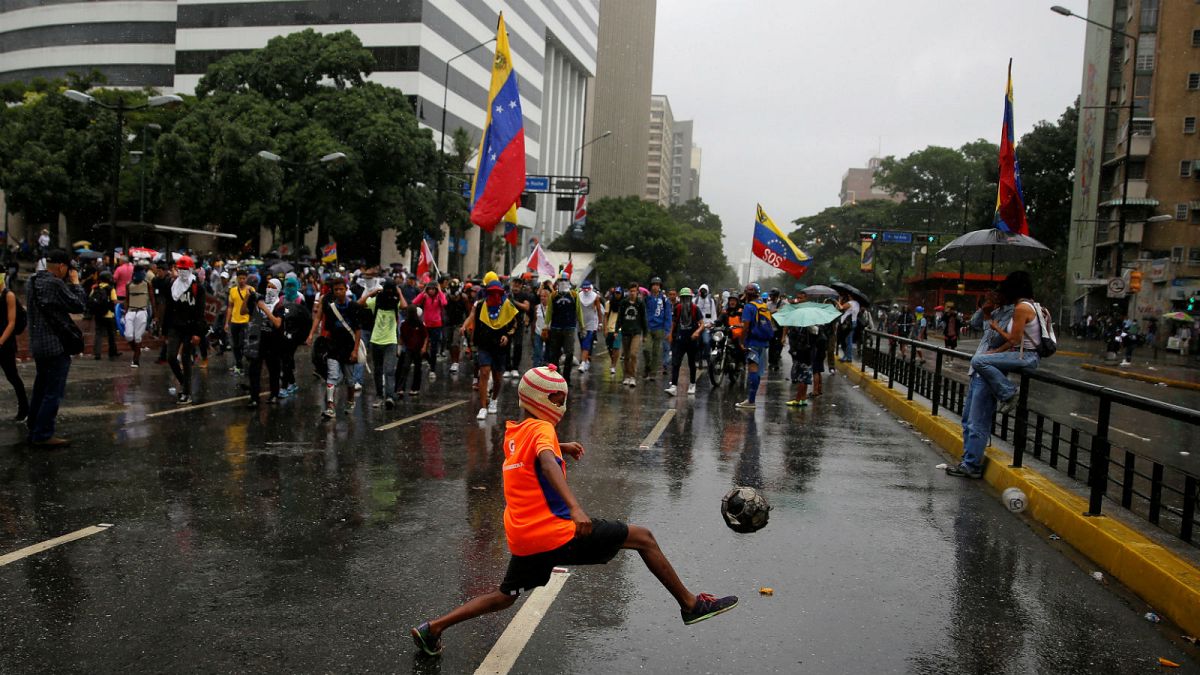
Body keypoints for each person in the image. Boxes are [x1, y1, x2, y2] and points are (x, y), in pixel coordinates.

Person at [409, 365, 737, 657]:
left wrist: (560, 445)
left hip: (523, 537)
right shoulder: (542, 432)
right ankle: (690, 605)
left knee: (504, 596)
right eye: (557, 398)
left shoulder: (515, 431)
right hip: (551, 533)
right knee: (643, 538)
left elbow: (535, 451)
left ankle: (432, 628)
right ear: (543, 399)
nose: (562, 406)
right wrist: (576, 508)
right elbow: (547, 463)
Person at [946, 289, 1014, 479]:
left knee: (978, 421)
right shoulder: (995, 311)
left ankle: (972, 464)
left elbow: (997, 340)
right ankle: (967, 458)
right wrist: (984, 310)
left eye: (996, 294)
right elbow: (974, 324)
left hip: (989, 372)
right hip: (977, 371)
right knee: (968, 419)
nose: (993, 297)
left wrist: (988, 317)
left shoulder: (1011, 313)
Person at [25, 249, 87, 445]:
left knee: (40, 387)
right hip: (55, 345)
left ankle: (34, 426)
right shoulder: (54, 283)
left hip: (37, 343)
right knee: (53, 391)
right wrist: (76, 282)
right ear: (61, 266)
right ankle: (43, 434)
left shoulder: (31, 281)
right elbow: (79, 305)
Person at [970, 271, 1042, 416]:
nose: (998, 294)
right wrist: (996, 352)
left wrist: (996, 328)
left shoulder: (1021, 308)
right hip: (1023, 354)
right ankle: (1007, 392)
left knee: (978, 360)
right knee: (980, 360)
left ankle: (1009, 392)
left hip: (1027, 356)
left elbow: (1013, 339)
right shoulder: (1028, 305)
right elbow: (1012, 341)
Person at [307, 276, 363, 418]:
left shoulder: (353, 306)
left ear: (346, 290)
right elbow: (321, 319)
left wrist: (355, 350)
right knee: (332, 376)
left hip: (349, 348)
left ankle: (350, 401)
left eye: (341, 289)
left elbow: (357, 330)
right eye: (336, 289)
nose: (339, 292)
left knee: (349, 379)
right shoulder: (329, 306)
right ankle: (330, 406)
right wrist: (312, 335)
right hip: (333, 347)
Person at [465, 273, 519, 420]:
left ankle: (494, 400)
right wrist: (471, 345)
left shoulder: (507, 305)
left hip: (500, 347)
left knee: (497, 378)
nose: (494, 295)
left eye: (497, 293)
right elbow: (475, 326)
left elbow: (514, 324)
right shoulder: (481, 305)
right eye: (491, 293)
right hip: (484, 345)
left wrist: (507, 335)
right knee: (484, 372)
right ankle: (483, 407)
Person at [164, 256, 207, 405]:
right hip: (175, 327)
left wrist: (197, 333)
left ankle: (186, 392)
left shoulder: (197, 288)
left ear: (190, 269)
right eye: (180, 269)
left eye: (185, 269)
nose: (182, 272)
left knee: (185, 358)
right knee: (170, 357)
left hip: (190, 327)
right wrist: (165, 329)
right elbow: (168, 308)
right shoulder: (172, 285)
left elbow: (200, 312)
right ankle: (184, 381)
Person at [360, 279, 405, 407]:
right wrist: (372, 293)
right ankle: (379, 396)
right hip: (375, 340)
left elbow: (404, 306)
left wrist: (399, 293)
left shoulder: (395, 302)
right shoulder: (377, 301)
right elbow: (360, 303)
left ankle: (390, 396)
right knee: (378, 370)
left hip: (391, 341)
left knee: (389, 370)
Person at [243, 278, 283, 408]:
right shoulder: (260, 300)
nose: (269, 289)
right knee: (254, 369)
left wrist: (264, 309)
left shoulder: (280, 304)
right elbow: (242, 311)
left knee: (273, 370)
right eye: (268, 286)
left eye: (273, 287)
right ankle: (254, 398)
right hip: (258, 339)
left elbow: (277, 323)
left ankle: (274, 394)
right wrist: (247, 298)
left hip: (273, 341)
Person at [736, 284, 773, 410]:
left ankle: (751, 401)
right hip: (763, 342)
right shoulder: (763, 305)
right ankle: (751, 399)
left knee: (752, 369)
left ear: (746, 295)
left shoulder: (749, 307)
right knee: (757, 371)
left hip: (753, 342)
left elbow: (746, 326)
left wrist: (741, 341)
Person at [0, 272, 28, 422]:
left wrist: (1, 341)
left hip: (6, 344)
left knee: (12, 376)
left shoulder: (8, 295)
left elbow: (11, 322)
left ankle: (24, 407)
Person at [275, 276, 309, 398]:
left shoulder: (300, 301)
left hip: (294, 336)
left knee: (286, 359)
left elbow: (306, 320)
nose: (289, 288)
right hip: (281, 335)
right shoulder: (281, 300)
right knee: (285, 360)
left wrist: (303, 337)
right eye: (287, 285)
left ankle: (284, 386)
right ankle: (292, 383)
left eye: (292, 285)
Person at [545, 272, 582, 381]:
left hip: (569, 328)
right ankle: (555, 376)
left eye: (565, 280)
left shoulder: (574, 295)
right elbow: (549, 311)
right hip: (555, 327)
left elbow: (578, 311)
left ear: (568, 281)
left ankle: (566, 378)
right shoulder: (553, 295)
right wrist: (546, 326)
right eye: (561, 280)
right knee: (554, 354)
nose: (563, 283)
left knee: (569, 353)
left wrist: (582, 326)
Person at [666, 287, 702, 397]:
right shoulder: (678, 308)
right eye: (683, 298)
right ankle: (674, 386)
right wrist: (671, 334)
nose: (686, 300)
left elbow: (702, 324)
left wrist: (697, 332)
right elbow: (674, 322)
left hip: (691, 339)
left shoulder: (695, 309)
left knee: (691, 363)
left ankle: (692, 383)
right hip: (680, 338)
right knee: (676, 362)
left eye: (687, 298)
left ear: (690, 298)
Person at [412, 281, 447, 382]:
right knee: (422, 346)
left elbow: (444, 303)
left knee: (434, 348)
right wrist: (423, 292)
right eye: (429, 289)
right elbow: (414, 302)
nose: (431, 291)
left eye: (433, 289)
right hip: (426, 325)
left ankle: (432, 369)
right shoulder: (425, 297)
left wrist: (440, 291)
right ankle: (429, 360)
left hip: (436, 325)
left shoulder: (439, 297)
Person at [618, 280, 647, 386]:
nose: (632, 293)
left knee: (633, 354)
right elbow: (620, 318)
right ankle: (626, 375)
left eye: (634, 291)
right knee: (626, 355)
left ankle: (632, 376)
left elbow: (644, 319)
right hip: (625, 332)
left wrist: (645, 334)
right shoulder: (624, 303)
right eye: (631, 291)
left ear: (637, 292)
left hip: (636, 332)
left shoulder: (640, 303)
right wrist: (617, 329)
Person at [122, 264, 152, 368]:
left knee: (138, 337)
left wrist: (155, 315)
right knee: (128, 335)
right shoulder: (129, 284)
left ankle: (136, 360)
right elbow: (127, 300)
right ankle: (137, 350)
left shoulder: (147, 284)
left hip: (142, 311)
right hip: (131, 311)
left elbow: (152, 299)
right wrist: (124, 313)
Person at [643, 277, 672, 380]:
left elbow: (668, 315)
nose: (656, 286)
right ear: (651, 286)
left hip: (659, 328)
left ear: (660, 287)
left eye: (658, 285)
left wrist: (668, 330)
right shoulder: (647, 298)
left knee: (655, 352)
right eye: (654, 284)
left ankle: (653, 373)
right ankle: (648, 366)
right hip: (648, 328)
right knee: (646, 349)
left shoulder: (664, 300)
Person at [224, 268, 251, 375]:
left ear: (246, 279)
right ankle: (239, 365)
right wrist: (227, 322)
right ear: (237, 278)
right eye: (240, 278)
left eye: (244, 278)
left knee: (243, 344)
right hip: (235, 321)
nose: (242, 280)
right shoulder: (233, 290)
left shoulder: (251, 290)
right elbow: (230, 307)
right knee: (235, 345)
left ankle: (242, 364)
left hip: (246, 321)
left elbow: (253, 307)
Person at [397, 305, 428, 397]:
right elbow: (402, 337)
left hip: (418, 349)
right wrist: (399, 348)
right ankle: (401, 388)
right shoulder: (404, 324)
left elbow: (425, 336)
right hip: (409, 349)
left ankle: (415, 388)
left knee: (417, 368)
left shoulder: (420, 324)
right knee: (405, 367)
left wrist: (424, 348)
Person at [89, 270, 120, 360]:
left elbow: (91, 299)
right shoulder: (111, 288)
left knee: (98, 334)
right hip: (109, 315)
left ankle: (97, 354)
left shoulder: (95, 288)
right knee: (111, 334)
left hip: (98, 315)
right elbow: (114, 301)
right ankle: (112, 353)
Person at [786, 323, 817, 407]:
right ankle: (803, 398)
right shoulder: (814, 329)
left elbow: (799, 342)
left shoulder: (804, 329)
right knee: (806, 378)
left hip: (803, 355)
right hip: (810, 356)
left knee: (802, 378)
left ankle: (798, 399)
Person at [577, 280, 603, 373]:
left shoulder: (595, 297)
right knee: (582, 343)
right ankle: (586, 359)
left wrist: (600, 323)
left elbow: (599, 310)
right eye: (585, 288)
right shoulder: (578, 296)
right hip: (580, 323)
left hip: (591, 323)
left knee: (587, 343)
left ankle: (583, 363)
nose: (586, 290)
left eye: (588, 288)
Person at [444, 280, 469, 374]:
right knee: (449, 343)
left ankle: (455, 362)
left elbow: (468, 312)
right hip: (448, 323)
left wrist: (467, 325)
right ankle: (452, 360)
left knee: (455, 342)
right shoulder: (447, 297)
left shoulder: (464, 298)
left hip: (459, 323)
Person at [695, 284, 718, 367]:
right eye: (702, 291)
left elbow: (714, 314)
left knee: (706, 342)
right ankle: (697, 359)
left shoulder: (711, 301)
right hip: (697, 326)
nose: (703, 293)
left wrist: (711, 323)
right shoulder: (695, 300)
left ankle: (705, 359)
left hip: (707, 327)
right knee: (696, 343)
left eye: (705, 291)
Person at [603, 287, 624, 375]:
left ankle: (613, 365)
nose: (617, 295)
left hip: (619, 328)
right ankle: (613, 360)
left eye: (619, 293)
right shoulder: (609, 303)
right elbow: (606, 316)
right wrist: (605, 328)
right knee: (609, 347)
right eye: (616, 293)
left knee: (616, 347)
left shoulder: (624, 303)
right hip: (610, 327)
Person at [836, 292, 860, 362]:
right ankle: (848, 357)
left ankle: (847, 357)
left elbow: (841, 307)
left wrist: (839, 301)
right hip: (853, 322)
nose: (848, 297)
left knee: (845, 340)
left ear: (851, 297)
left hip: (847, 323)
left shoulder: (850, 303)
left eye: (849, 296)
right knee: (848, 340)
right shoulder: (857, 304)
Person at [766, 288, 786, 371]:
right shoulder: (768, 304)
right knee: (771, 346)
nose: (771, 297)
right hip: (771, 328)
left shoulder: (783, 304)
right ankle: (771, 362)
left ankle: (775, 362)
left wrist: (784, 335)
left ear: (777, 296)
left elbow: (784, 314)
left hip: (780, 328)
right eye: (770, 295)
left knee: (778, 346)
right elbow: (766, 314)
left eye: (772, 295)